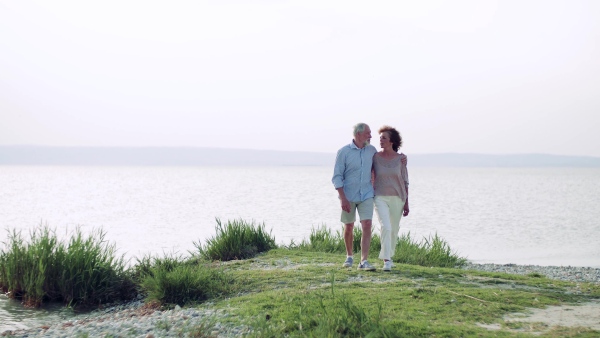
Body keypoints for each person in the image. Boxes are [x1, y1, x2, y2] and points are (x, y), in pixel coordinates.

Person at [332, 123, 378, 270]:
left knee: (367, 225)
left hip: (367, 194)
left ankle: (364, 261)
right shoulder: (344, 152)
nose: (371, 136)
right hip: (348, 196)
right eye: (368, 133)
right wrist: (343, 198)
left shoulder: (372, 150)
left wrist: (401, 158)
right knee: (349, 226)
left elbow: (381, 164)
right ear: (358, 134)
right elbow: (337, 177)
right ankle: (349, 256)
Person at [373, 125, 409, 272]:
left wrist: (407, 202)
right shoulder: (375, 157)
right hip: (380, 196)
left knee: (393, 229)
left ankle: (389, 256)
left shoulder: (401, 159)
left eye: (384, 138)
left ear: (391, 141)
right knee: (386, 227)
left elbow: (405, 181)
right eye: (380, 138)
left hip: (398, 198)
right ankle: (386, 260)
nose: (380, 140)